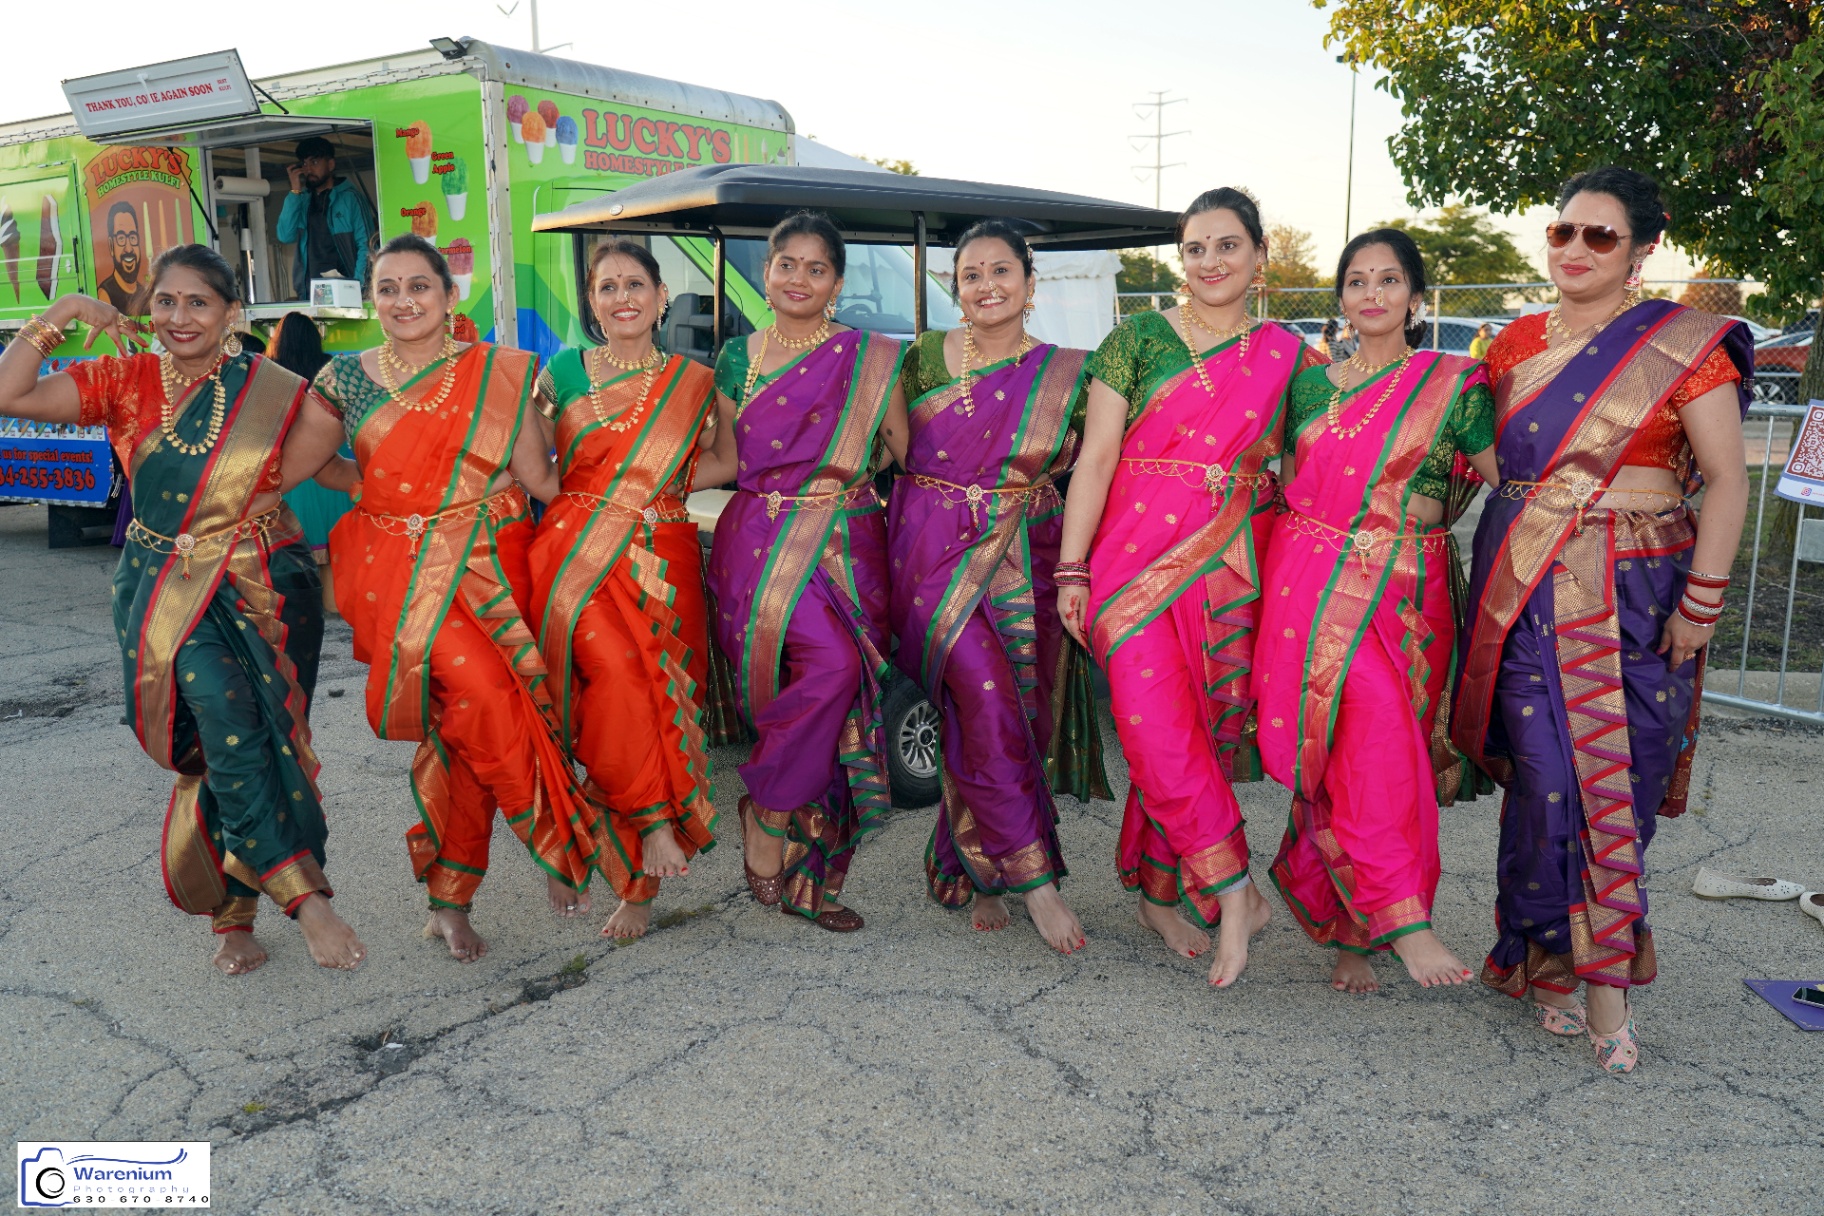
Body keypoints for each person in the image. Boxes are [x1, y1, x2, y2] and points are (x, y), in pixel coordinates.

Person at [1451, 167, 1752, 1072]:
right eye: (1562, 232)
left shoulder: (1685, 344)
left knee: (1623, 776)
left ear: (1644, 249)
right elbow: (1470, 461)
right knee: (1548, 781)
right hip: (1527, 583)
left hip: (1641, 591)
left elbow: (1730, 479)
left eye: (1599, 237)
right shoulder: (1506, 347)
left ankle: (1593, 965)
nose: (1574, 251)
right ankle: (1558, 963)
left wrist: (1704, 600)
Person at [0, 244, 364, 976]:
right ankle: (294, 898)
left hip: (265, 584)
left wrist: (437, 491)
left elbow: (331, 468)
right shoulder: (126, 379)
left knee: (263, 740)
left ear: (232, 312)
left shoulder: (276, 387)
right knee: (213, 736)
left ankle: (244, 911)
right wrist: (65, 313)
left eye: (198, 302)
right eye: (165, 302)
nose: (179, 317)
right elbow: (12, 394)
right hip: (165, 585)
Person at [282, 234, 603, 962]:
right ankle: (557, 837)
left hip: (494, 564)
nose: (403, 301)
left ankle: (449, 902)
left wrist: (626, 507)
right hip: (401, 576)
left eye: (418, 286)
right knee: (490, 701)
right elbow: (300, 464)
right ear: (372, 298)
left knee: (463, 739)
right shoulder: (347, 380)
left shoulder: (498, 372)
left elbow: (540, 477)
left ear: (449, 296)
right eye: (388, 288)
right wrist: (371, 487)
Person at [1057, 187, 1325, 987]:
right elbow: (1096, 459)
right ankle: (1234, 888)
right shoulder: (1135, 337)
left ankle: (1158, 890)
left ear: (1259, 256)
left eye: (1227, 246)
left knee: (1183, 734)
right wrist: (1071, 568)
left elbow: (1309, 470)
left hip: (1228, 571)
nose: (1210, 262)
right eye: (1196, 248)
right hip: (1127, 566)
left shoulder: (1288, 355)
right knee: (1152, 724)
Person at [1256, 228, 1499, 994]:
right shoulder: (1310, 385)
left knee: (1370, 750)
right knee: (1367, 733)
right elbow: (1296, 485)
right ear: (1341, 299)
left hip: (1409, 592)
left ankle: (1351, 932)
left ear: (1416, 299)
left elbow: (1509, 483)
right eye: (1357, 282)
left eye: (1388, 281)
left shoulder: (1455, 384)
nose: (1371, 295)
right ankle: (1404, 921)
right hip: (1313, 576)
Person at [886, 218, 1109, 954]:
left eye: (1000, 271)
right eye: (971, 274)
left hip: (1027, 549)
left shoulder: (1070, 373)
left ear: (1030, 282)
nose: (985, 285)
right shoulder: (918, 360)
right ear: (955, 287)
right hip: (931, 550)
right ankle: (1033, 881)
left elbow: (1103, 464)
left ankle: (968, 863)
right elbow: (871, 444)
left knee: (1018, 710)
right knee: (979, 695)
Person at [697, 210, 906, 932]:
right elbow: (723, 456)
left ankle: (796, 852)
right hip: (757, 537)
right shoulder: (735, 357)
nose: (799, 278)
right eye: (787, 263)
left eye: (817, 268)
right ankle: (774, 814)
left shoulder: (871, 357)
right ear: (767, 271)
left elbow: (901, 447)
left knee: (841, 689)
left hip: (847, 542)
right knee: (830, 675)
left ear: (837, 283)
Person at [527, 239, 720, 940]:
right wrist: (595, 500)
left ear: (662, 296)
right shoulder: (564, 371)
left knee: (668, 700)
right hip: (579, 553)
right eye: (606, 287)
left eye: (635, 284)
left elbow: (726, 457)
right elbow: (536, 460)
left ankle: (637, 890)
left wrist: (657, 491)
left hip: (664, 551)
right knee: (610, 680)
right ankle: (653, 823)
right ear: (592, 304)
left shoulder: (694, 382)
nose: (622, 298)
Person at [270, 313, 347, 558]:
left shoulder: (269, 373)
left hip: (289, 475)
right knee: (335, 562)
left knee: (295, 564)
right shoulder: (331, 369)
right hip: (334, 469)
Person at [276, 137, 372, 302]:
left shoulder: (350, 198)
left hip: (347, 289)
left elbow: (367, 245)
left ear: (331, 164)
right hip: (310, 292)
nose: (308, 169)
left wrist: (358, 287)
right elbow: (285, 235)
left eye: (314, 162)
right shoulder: (302, 200)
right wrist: (295, 192)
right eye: (304, 164)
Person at [97, 201, 144, 313]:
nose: (128, 248)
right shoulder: (105, 294)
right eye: (121, 238)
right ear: (111, 246)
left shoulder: (144, 293)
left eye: (132, 238)